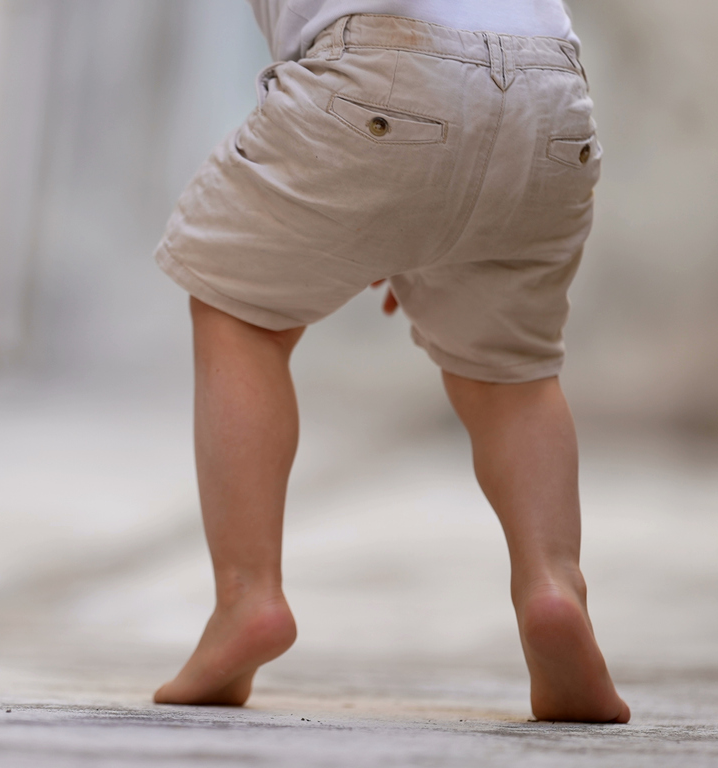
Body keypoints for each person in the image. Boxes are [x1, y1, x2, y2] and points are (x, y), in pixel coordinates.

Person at [150, 1, 630, 724]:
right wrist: (408, 223)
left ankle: (246, 598)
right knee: (511, 374)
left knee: (239, 310)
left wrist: (377, 194)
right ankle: (552, 587)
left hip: (378, 72)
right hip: (550, 97)